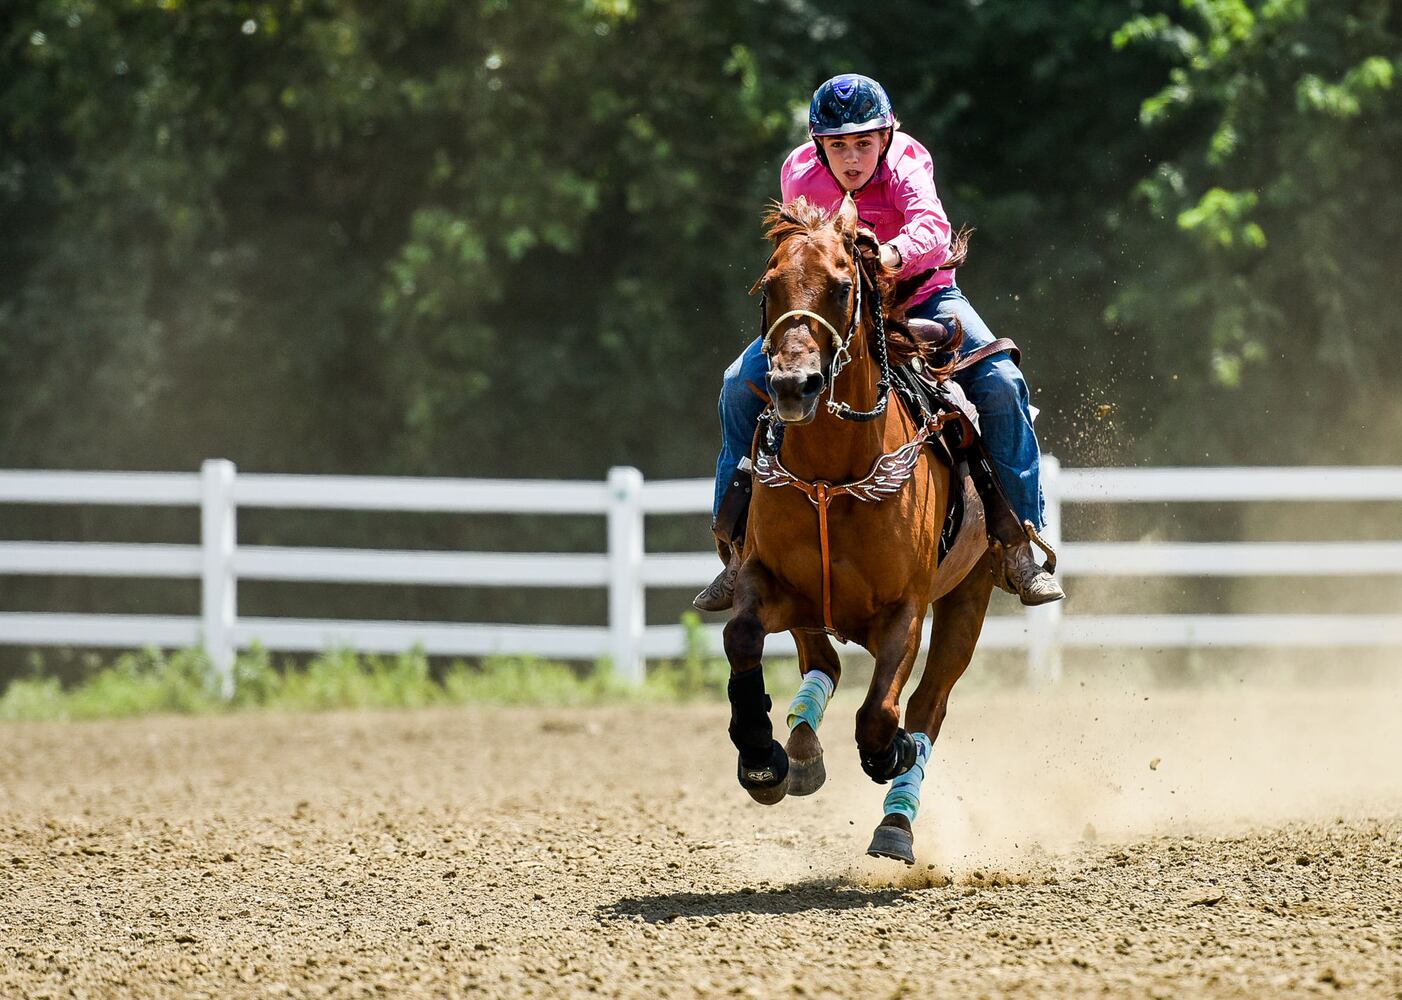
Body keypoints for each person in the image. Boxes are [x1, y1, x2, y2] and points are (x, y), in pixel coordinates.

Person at [694, 73, 1064, 611]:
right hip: (839, 310)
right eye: (837, 144)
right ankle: (736, 547)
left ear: (887, 137)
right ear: (818, 143)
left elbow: (933, 231)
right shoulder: (798, 172)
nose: (851, 157)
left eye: (863, 142)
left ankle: (1020, 542)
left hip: (924, 298)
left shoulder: (909, 162)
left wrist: (883, 258)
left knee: (1002, 382)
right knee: (737, 386)